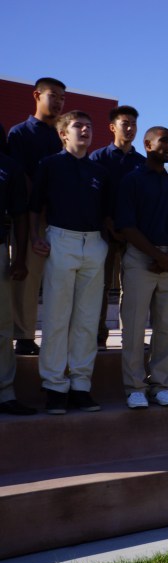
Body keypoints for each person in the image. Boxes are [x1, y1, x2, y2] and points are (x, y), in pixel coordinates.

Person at [29, 110, 111, 414]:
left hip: (94, 244)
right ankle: (54, 385)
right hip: (60, 240)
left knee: (87, 321)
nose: (85, 130)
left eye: (89, 126)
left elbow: (107, 212)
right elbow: (34, 205)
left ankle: (80, 385)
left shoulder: (99, 171)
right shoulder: (50, 165)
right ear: (63, 133)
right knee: (57, 317)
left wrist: (104, 242)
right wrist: (35, 237)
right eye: (78, 126)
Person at [115, 127, 168, 409]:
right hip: (140, 258)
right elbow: (126, 226)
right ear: (147, 145)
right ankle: (135, 387)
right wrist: (157, 255)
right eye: (163, 141)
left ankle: (160, 385)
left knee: (167, 327)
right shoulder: (132, 181)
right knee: (134, 326)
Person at [7, 77, 66, 357]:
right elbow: (20, 177)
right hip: (31, 217)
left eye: (62, 98)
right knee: (27, 278)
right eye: (53, 95)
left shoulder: (63, 135)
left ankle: (59, 335)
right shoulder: (20, 133)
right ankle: (24, 335)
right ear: (37, 95)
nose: (58, 102)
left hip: (63, 220)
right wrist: (39, 207)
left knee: (60, 280)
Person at [90, 105, 147, 350]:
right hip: (103, 232)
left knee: (133, 288)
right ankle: (98, 335)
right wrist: (107, 221)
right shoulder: (98, 158)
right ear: (112, 127)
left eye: (134, 124)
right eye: (126, 123)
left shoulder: (142, 163)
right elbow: (92, 196)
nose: (130, 128)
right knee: (100, 285)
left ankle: (131, 336)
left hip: (133, 235)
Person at [0, 149, 36, 415]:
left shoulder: (8, 166)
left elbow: (20, 215)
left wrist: (20, 257)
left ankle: (5, 393)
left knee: (2, 327)